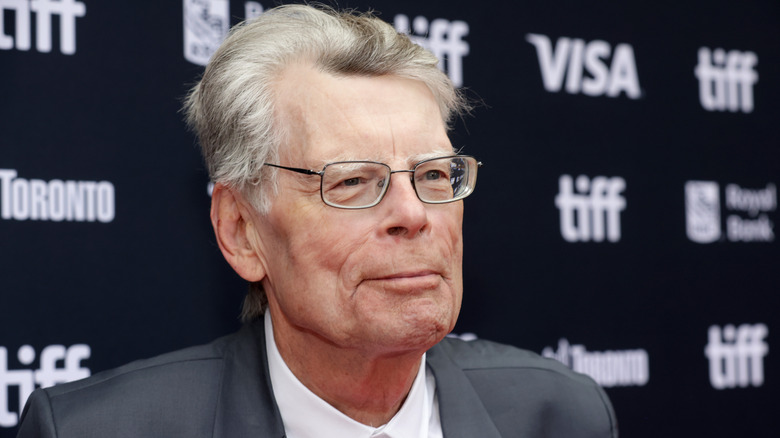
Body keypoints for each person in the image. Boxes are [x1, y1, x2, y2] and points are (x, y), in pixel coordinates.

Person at [17, 4, 617, 437]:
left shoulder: (562, 413)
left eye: (435, 175)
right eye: (353, 182)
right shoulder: (92, 430)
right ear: (241, 231)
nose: (413, 214)